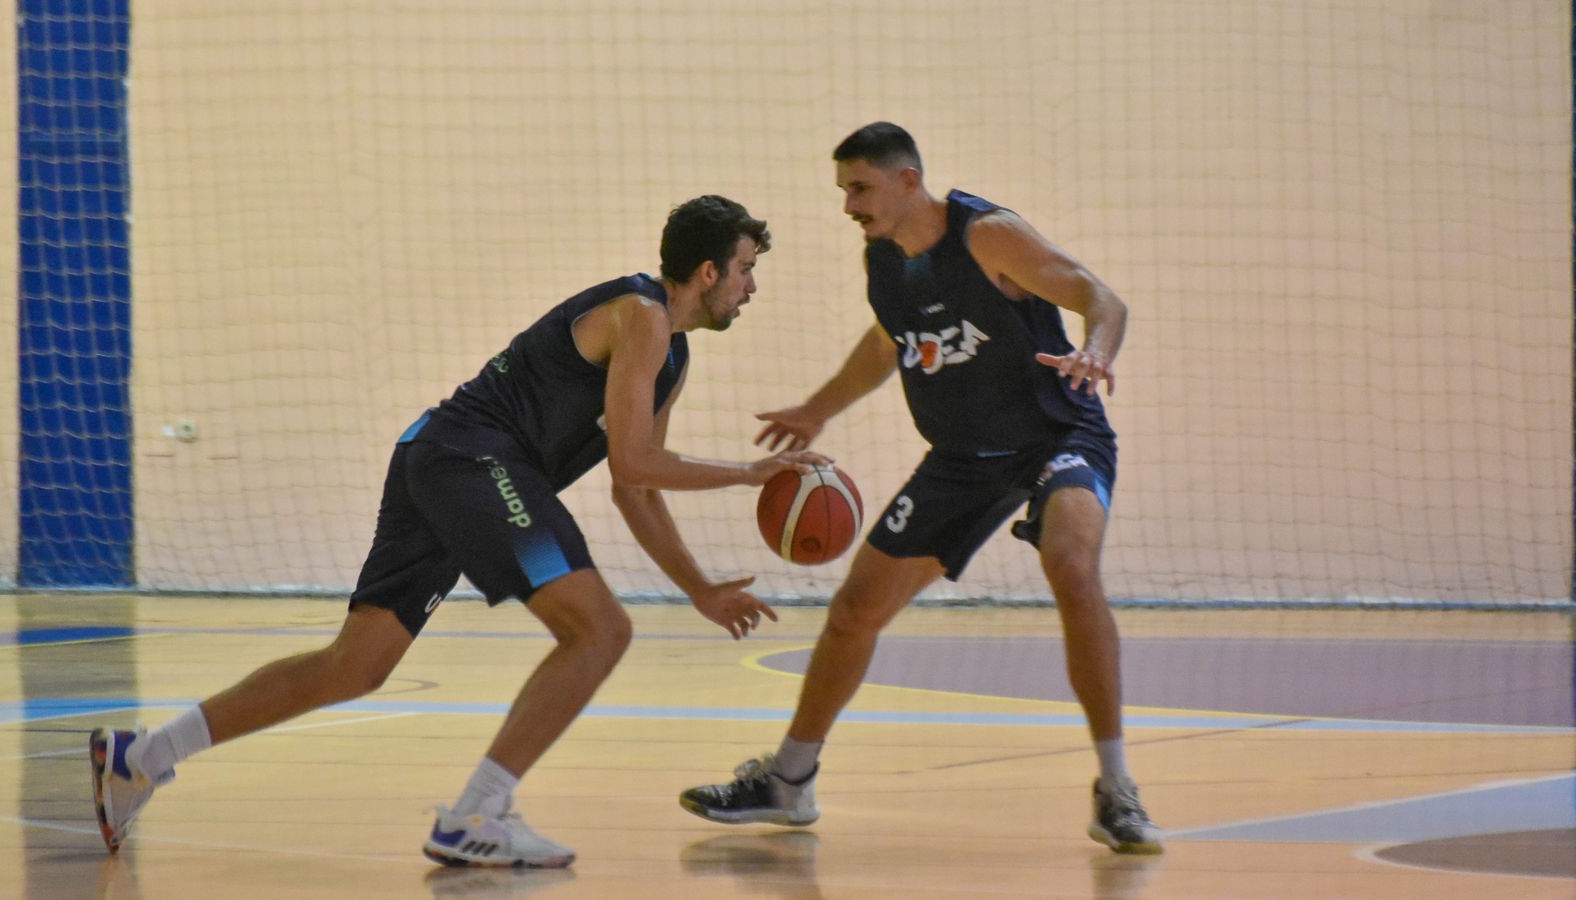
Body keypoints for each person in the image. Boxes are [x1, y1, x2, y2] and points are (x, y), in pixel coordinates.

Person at [89, 195, 830, 868]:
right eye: (744, 269)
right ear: (707, 272)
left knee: (357, 664)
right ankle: (477, 813)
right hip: (475, 461)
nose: (751, 286)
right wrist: (746, 474)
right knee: (599, 631)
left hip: (435, 456)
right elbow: (640, 459)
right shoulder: (641, 315)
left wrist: (699, 587)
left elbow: (633, 483)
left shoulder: (670, 351)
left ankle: (144, 756)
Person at [679, 124, 1163, 854]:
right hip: (963, 459)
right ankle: (789, 779)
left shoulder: (987, 236)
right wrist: (818, 408)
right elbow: (886, 344)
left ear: (909, 182)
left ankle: (1117, 789)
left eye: (860, 188)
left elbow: (1101, 296)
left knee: (1071, 564)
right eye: (843, 190)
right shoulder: (884, 260)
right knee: (853, 612)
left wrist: (1094, 350)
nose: (848, 205)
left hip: (1055, 436)